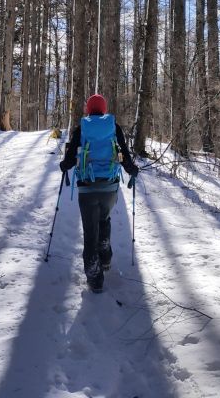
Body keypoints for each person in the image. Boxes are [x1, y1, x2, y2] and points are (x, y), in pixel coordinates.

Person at [59, 93, 139, 292]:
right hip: (110, 187)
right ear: (104, 108)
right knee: (104, 219)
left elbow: (70, 158)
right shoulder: (114, 126)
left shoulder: (82, 128)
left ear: (88, 108)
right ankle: (105, 255)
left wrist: (65, 165)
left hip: (87, 187)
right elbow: (123, 154)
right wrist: (131, 169)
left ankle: (95, 280)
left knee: (89, 232)